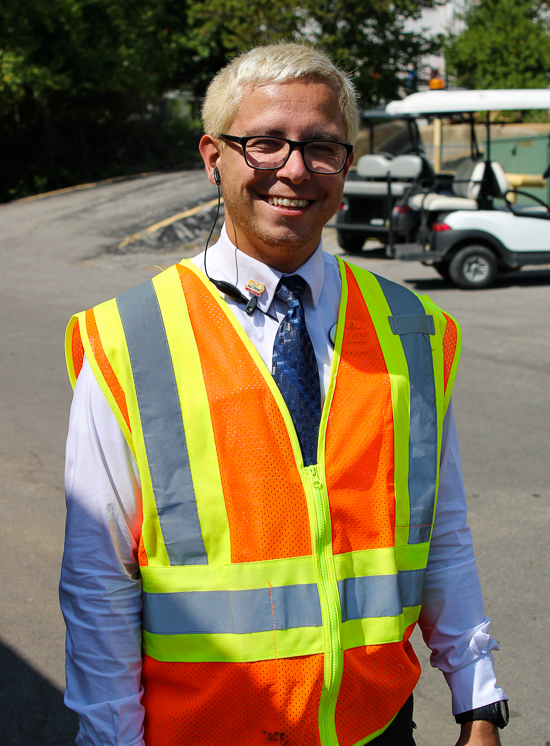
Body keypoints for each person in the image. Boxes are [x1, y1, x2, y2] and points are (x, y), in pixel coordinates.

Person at [60, 42, 508, 746]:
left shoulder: (414, 330)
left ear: (347, 166)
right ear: (214, 157)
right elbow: (98, 580)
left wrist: (477, 698)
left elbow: (440, 530)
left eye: (322, 147)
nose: (294, 170)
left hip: (376, 729)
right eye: (265, 142)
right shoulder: (129, 339)